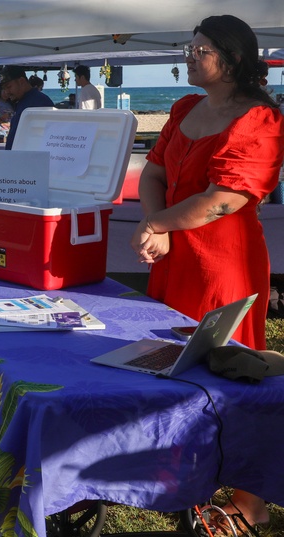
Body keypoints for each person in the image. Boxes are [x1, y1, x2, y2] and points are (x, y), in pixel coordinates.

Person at [130, 15, 284, 533]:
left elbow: (224, 201)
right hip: (173, 257)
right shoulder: (184, 108)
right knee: (172, 364)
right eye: (190, 47)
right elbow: (154, 173)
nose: (190, 55)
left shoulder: (261, 119)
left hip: (226, 264)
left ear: (234, 59)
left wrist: (158, 223)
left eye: (202, 49)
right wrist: (160, 226)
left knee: (230, 376)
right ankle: (185, 476)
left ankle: (249, 501)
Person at [0, 65, 54, 149]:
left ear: (21, 81)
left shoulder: (39, 102)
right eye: (4, 89)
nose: (6, 92)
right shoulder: (21, 101)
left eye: (9, 87)